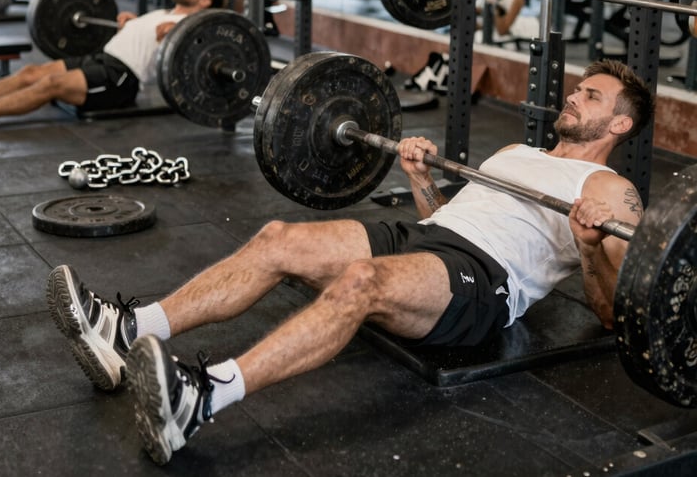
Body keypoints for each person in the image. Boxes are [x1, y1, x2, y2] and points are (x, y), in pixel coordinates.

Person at [46, 59, 654, 465]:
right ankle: (131, 328)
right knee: (279, 237)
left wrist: (585, 244)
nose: (573, 96)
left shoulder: (608, 192)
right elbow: (445, 214)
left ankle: (202, 398)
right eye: (577, 89)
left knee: (360, 283)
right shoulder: (518, 148)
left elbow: (609, 313)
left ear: (620, 122)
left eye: (590, 96)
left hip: (483, 281)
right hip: (429, 238)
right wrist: (418, 178)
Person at [0, 0, 228, 132]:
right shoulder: (166, 11)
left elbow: (193, 60)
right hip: (101, 57)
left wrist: (179, 34)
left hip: (120, 78)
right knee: (33, 72)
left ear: (204, 2)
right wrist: (132, 24)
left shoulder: (193, 25)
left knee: (50, 85)